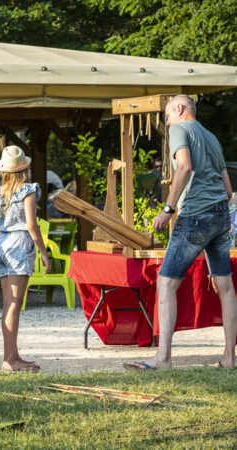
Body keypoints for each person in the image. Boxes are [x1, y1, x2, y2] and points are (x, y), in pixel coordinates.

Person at [124, 95, 236, 371]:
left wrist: (168, 208)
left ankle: (163, 359)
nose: (167, 122)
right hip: (221, 215)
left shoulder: (179, 130)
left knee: (166, 282)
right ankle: (229, 358)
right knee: (226, 287)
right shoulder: (212, 137)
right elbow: (229, 191)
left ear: (178, 108)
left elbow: (184, 166)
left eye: (167, 116)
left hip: (195, 215)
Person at [0, 146, 50, 372]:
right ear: (24, 168)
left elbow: (0, 224)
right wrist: (43, 252)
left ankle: (12, 355)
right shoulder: (28, 190)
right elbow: (32, 225)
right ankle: (10, 360)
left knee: (8, 304)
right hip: (18, 244)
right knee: (14, 304)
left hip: (2, 243)